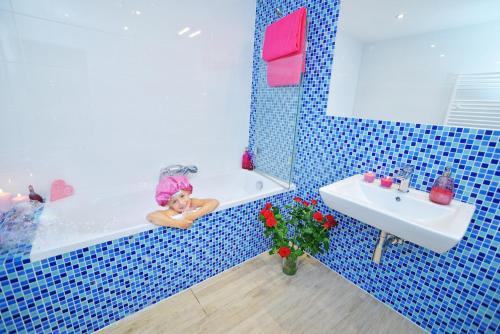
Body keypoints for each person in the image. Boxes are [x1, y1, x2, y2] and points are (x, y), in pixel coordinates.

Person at [146, 175, 218, 229]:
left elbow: (214, 202)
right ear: (168, 205)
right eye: (174, 202)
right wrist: (178, 223)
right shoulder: (172, 212)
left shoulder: (192, 202)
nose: (181, 203)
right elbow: (151, 216)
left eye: (182, 196)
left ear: (187, 192)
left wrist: (195, 215)